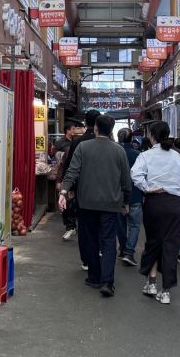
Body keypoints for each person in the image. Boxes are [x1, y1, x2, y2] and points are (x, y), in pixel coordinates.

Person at [59, 115, 131, 298]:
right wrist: (126, 201)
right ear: (111, 130)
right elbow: (126, 180)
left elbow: (72, 171)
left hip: (87, 203)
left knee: (90, 239)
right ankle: (107, 281)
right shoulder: (119, 151)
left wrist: (63, 192)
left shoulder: (83, 147)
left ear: (96, 128)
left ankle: (94, 276)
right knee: (108, 241)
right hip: (111, 203)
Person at [131, 121, 180, 305]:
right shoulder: (177, 156)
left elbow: (135, 174)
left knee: (154, 242)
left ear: (152, 136)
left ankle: (152, 282)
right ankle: (166, 291)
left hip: (155, 202)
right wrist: (177, 197)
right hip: (174, 203)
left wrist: (148, 188)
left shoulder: (146, 155)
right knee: (170, 246)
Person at [60, 110, 100, 267]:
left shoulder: (78, 142)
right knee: (101, 225)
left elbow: (70, 167)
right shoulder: (109, 143)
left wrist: (68, 187)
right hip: (104, 192)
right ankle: (100, 252)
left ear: (85, 122)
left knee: (85, 227)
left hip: (82, 191)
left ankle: (86, 260)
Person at [117, 128, 142, 267]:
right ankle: (129, 251)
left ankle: (122, 249)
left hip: (118, 195)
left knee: (120, 225)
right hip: (136, 195)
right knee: (134, 225)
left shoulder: (115, 154)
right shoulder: (138, 155)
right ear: (131, 138)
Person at [54, 123, 79, 241]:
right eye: (73, 128)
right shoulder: (61, 144)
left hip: (77, 179)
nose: (75, 130)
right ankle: (70, 226)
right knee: (67, 203)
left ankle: (74, 225)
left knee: (74, 204)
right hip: (67, 178)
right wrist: (59, 180)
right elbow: (60, 165)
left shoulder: (77, 143)